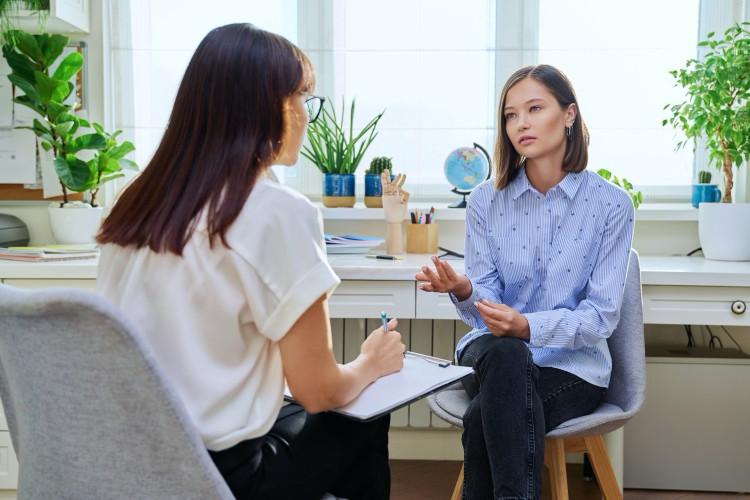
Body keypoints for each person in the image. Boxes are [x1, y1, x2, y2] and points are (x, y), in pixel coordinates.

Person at [96, 23, 405, 500]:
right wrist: (370, 362)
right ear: (275, 107)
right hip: (225, 476)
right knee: (365, 411)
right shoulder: (275, 211)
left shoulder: (136, 201)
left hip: (133, 462)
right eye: (304, 98)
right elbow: (318, 390)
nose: (306, 114)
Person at [416, 64, 634, 499]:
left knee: (485, 416)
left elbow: (601, 316)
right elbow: (487, 300)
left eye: (534, 108)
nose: (521, 124)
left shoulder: (611, 205)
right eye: (511, 115)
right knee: (509, 354)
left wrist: (529, 327)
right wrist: (464, 290)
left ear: (569, 114)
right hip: (495, 353)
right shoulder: (485, 200)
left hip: (571, 366)